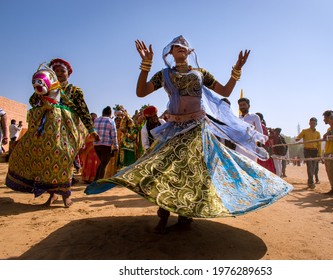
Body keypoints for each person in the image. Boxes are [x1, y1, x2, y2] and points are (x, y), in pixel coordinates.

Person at [85, 35, 292, 234]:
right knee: (164, 170)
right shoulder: (164, 74)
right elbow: (141, 92)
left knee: (191, 172)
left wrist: (236, 70)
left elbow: (226, 91)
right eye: (176, 45)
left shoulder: (201, 73)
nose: (181, 46)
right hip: (173, 131)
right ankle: (163, 215)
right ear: (171, 52)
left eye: (184, 45)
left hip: (196, 130)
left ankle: (185, 216)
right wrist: (145, 65)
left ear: (190, 50)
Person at [6, 64, 87, 207]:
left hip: (66, 131)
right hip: (47, 132)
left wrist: (91, 130)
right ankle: (52, 195)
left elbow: (82, 110)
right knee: (47, 163)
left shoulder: (74, 90)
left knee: (64, 159)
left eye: (63, 71)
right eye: (57, 71)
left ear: (69, 73)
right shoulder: (46, 86)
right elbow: (33, 101)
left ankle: (66, 195)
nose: (60, 73)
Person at [295, 117, 322, 189]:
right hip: (307, 150)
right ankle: (311, 182)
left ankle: (310, 180)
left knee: (313, 167)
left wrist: (319, 153)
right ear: (309, 123)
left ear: (316, 124)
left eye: (314, 123)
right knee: (309, 165)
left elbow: (319, 144)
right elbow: (297, 138)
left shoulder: (318, 133)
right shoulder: (305, 131)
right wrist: (298, 139)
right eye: (311, 123)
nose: (312, 124)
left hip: (315, 151)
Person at [93, 106, 119, 181]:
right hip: (106, 145)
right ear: (110, 113)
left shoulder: (96, 120)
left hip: (96, 145)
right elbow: (114, 134)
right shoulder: (111, 121)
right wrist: (116, 146)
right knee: (104, 163)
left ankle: (96, 180)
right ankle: (99, 181)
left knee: (102, 163)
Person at [236, 97, 264, 162]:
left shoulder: (254, 117)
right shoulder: (238, 119)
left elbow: (260, 132)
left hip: (251, 148)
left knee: (251, 167)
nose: (242, 107)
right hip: (239, 147)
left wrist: (259, 146)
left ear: (248, 106)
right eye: (240, 105)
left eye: (244, 104)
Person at [322, 110, 333, 195]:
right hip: (327, 151)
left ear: (329, 118)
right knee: (329, 172)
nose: (323, 120)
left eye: (325, 117)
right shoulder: (329, 128)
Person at [80, 113, 100, 183]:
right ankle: (87, 178)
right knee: (88, 162)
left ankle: (92, 178)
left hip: (95, 148)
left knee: (94, 162)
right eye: (92, 118)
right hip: (89, 148)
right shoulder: (86, 128)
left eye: (95, 118)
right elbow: (84, 138)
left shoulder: (98, 127)